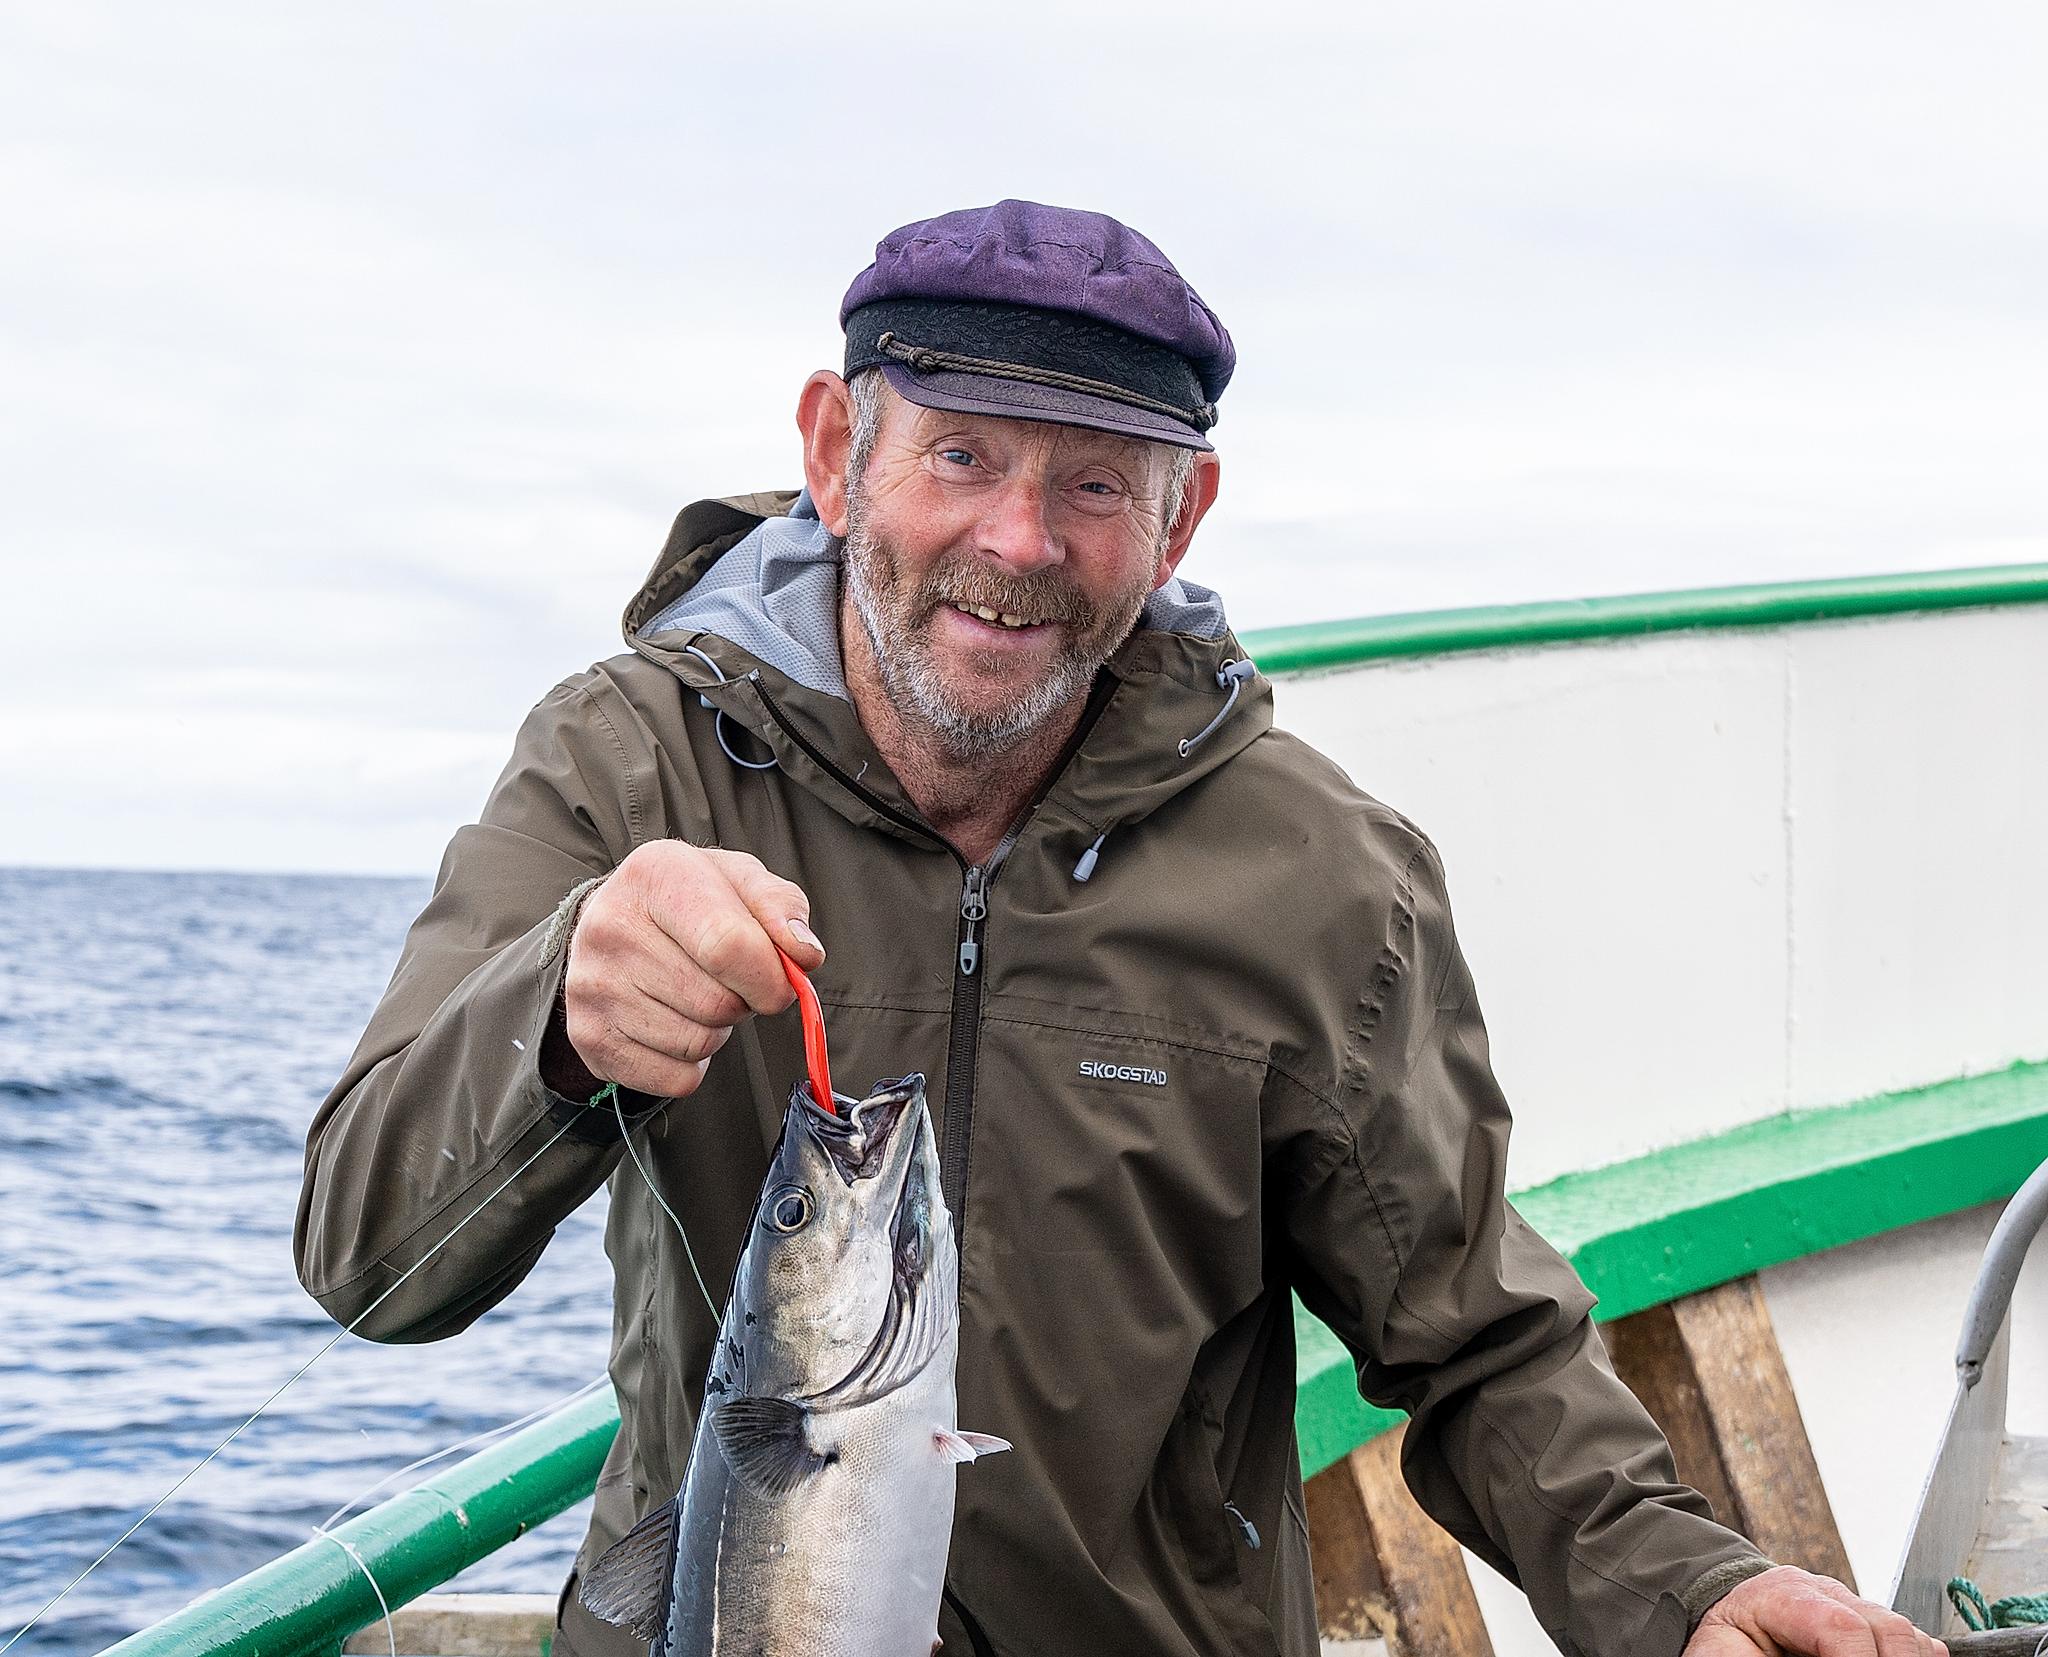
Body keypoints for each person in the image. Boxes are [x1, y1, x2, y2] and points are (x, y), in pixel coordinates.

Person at [295, 200, 1941, 1657]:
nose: (1017, 544)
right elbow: (365, 1256)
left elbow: (1476, 1339)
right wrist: (557, 1023)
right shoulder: (624, 760)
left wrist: (1683, 1592)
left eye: (1092, 481)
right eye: (959, 455)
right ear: (831, 447)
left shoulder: (1323, 874)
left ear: (1183, 517)